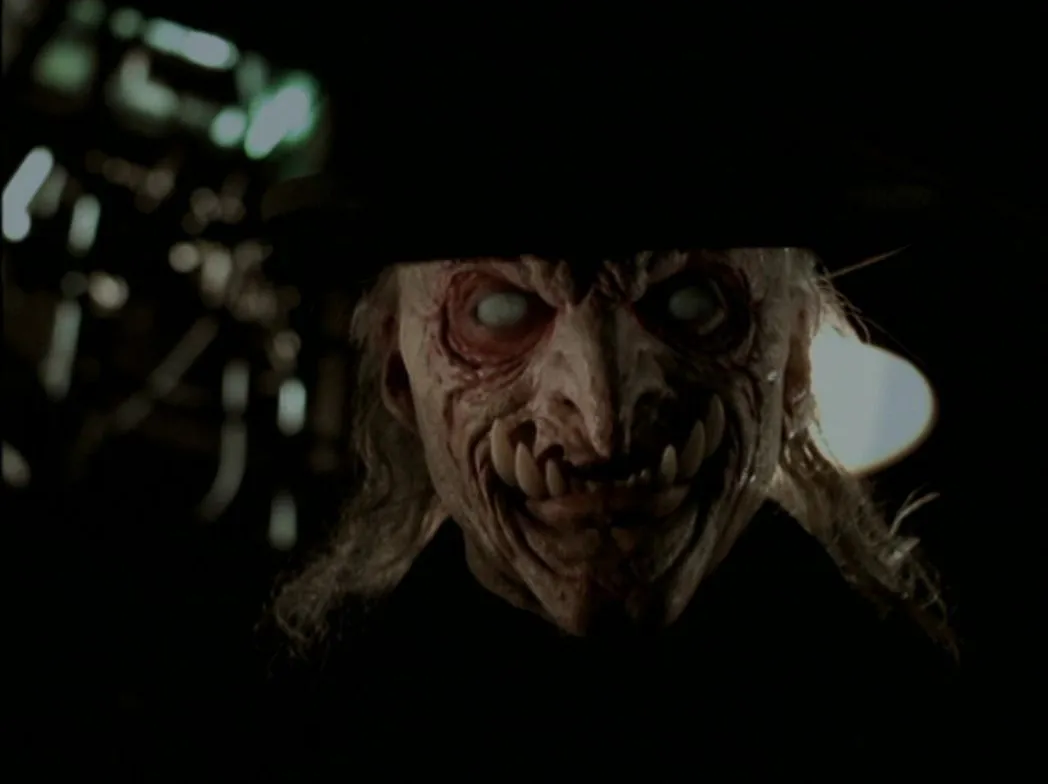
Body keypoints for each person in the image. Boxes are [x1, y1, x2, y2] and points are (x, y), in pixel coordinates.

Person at [253, 245, 961, 776]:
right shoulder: (316, 733)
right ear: (399, 374)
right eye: (499, 310)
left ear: (797, 359)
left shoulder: (913, 722)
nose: (603, 424)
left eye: (692, 303)